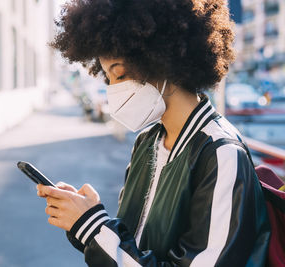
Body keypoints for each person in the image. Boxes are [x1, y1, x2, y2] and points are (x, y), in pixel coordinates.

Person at [37, 0, 271, 266]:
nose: (113, 90)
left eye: (120, 75)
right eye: (107, 77)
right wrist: (88, 220)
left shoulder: (221, 154)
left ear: (162, 62)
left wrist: (91, 226)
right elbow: (134, 249)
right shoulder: (146, 142)